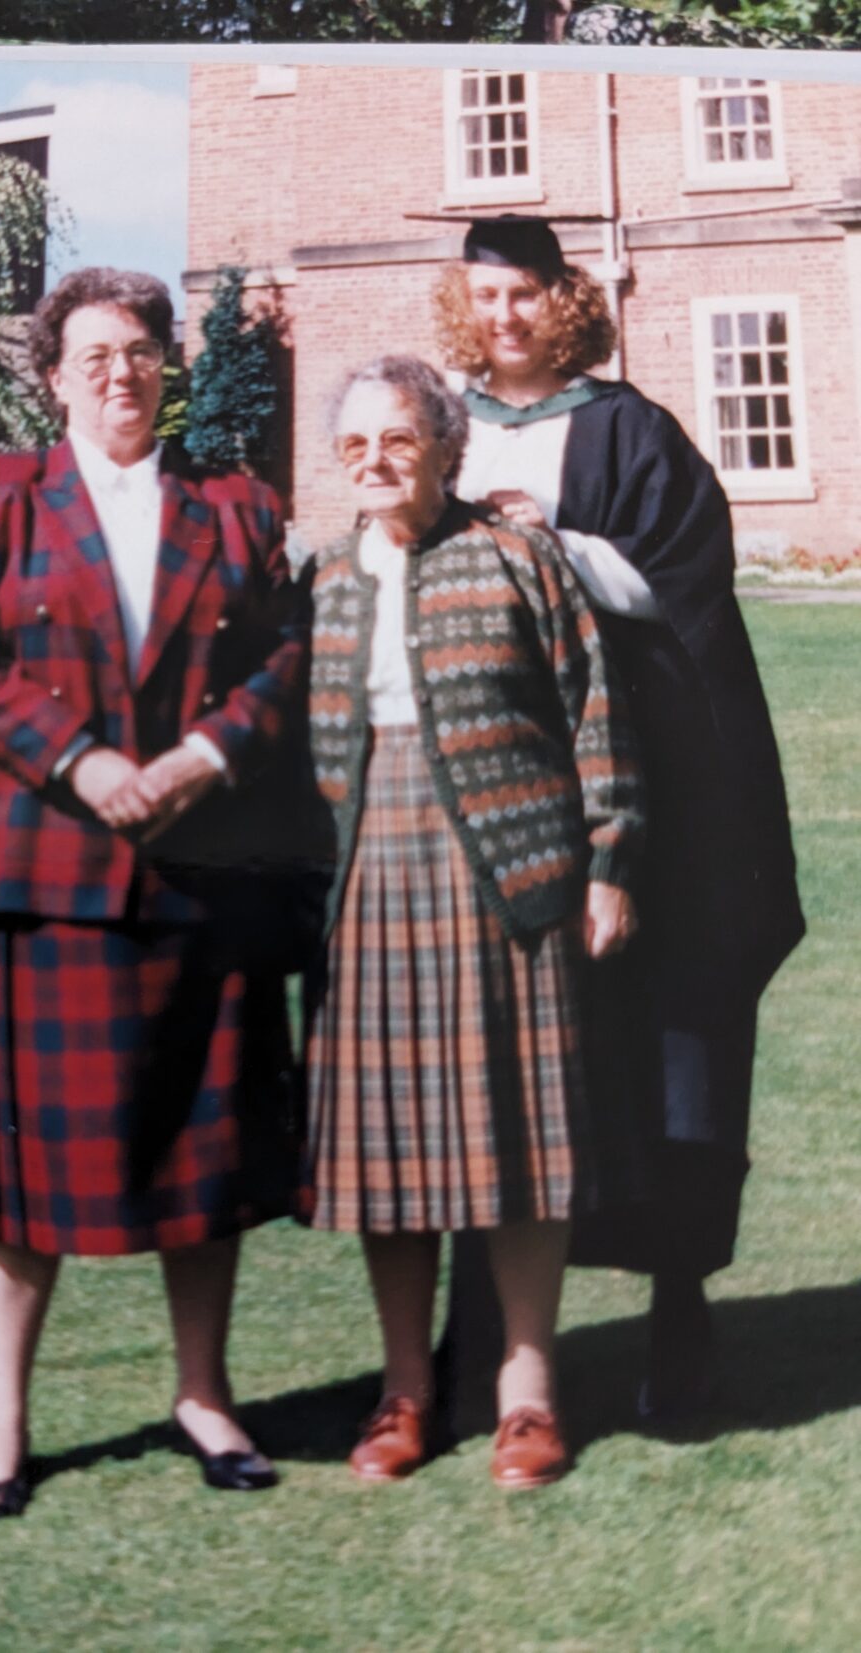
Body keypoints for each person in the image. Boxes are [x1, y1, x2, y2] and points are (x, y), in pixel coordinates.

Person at [0, 266, 313, 1516]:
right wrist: (83, 762)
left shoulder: (239, 507)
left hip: (199, 866)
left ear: (165, 364)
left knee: (204, 1157)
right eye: (91, 355)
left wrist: (202, 757)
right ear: (51, 376)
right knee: (14, 1178)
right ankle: (1, 1413)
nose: (119, 373)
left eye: (138, 350)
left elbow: (288, 654)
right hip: (36, 873)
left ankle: (204, 1393)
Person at [435, 216, 805, 1418]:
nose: (504, 316)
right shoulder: (438, 426)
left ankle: (679, 1321)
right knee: (502, 1045)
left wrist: (554, 550)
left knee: (673, 1038)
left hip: (645, 777)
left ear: (561, 300)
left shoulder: (626, 427)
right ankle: (477, 1329)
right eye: (485, 295)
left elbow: (687, 577)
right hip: (495, 781)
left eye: (525, 293)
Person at [304, 355, 645, 1488]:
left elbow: (593, 705)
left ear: (447, 448)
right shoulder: (319, 580)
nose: (377, 462)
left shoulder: (513, 557)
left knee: (520, 1146)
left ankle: (525, 1394)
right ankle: (405, 1393)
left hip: (510, 875)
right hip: (365, 881)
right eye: (355, 445)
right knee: (387, 1152)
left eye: (399, 439)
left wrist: (608, 859)